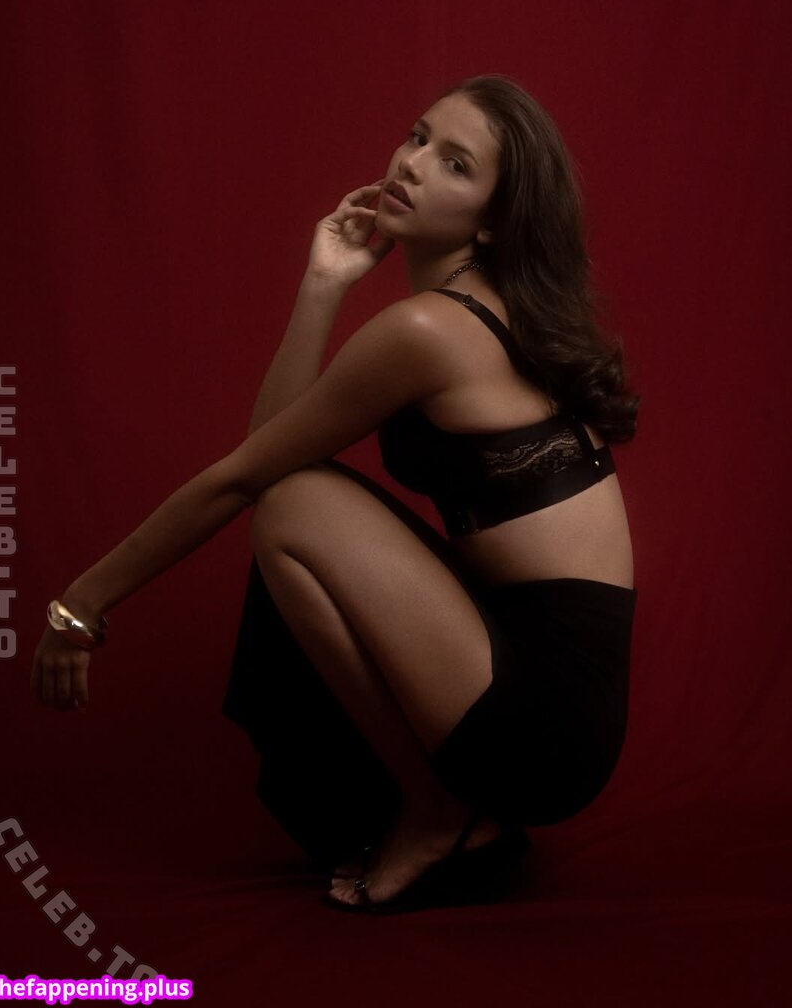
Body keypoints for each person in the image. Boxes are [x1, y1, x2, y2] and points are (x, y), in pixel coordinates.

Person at [32, 74, 639, 916]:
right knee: (290, 496)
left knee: (291, 505)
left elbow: (248, 474)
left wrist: (83, 603)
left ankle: (439, 808)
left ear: (494, 221)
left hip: (544, 719)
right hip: (527, 677)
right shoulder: (481, 313)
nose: (412, 163)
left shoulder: (431, 331)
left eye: (455, 163)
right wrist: (324, 282)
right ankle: (444, 803)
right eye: (418, 136)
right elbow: (270, 452)